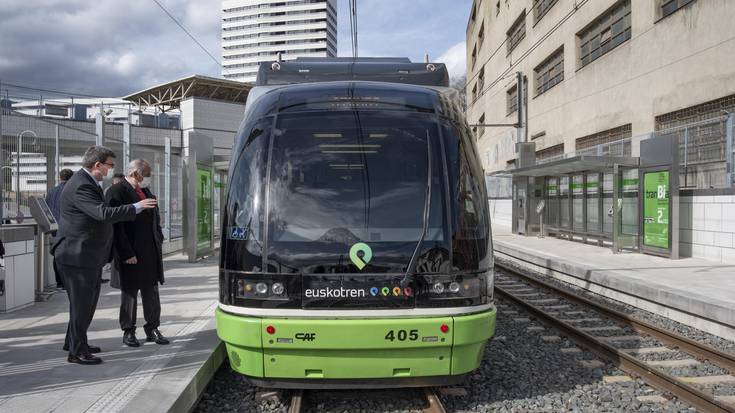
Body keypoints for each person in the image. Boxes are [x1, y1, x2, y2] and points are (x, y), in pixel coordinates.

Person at [52, 146, 157, 365]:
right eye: (110, 165)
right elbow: (102, 213)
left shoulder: (88, 182)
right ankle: (77, 352)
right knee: (82, 304)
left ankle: (74, 341)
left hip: (86, 255)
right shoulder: (82, 185)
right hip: (77, 255)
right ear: (97, 164)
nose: (112, 169)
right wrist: (136, 207)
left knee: (84, 304)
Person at [106, 159, 169, 347]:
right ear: (135, 173)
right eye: (147, 174)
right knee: (130, 293)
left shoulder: (146, 191)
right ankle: (128, 331)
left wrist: (158, 238)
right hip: (130, 253)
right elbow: (115, 226)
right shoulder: (116, 192)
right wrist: (126, 253)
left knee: (151, 292)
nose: (149, 178)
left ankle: (153, 328)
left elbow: (154, 219)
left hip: (150, 252)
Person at [46, 169, 74, 289]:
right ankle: (67, 282)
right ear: (71, 178)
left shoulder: (52, 191)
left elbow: (47, 206)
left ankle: (59, 282)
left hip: (54, 227)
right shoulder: (71, 190)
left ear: (60, 178)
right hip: (67, 227)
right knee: (70, 255)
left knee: (57, 254)